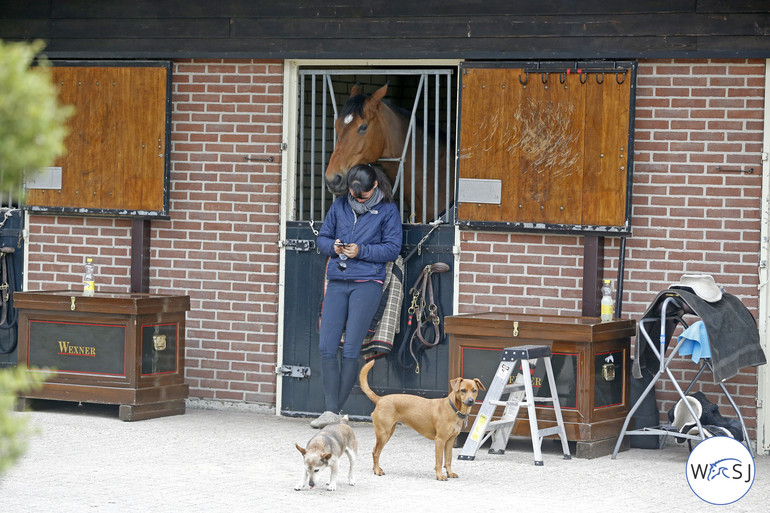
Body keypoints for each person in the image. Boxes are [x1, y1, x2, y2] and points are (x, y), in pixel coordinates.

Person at [311, 164, 403, 428]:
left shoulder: (387, 210)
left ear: (374, 187)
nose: (357, 198)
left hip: (367, 283)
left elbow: (392, 249)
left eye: (362, 195)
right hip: (337, 280)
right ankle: (332, 413)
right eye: (353, 193)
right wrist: (334, 246)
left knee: (351, 348)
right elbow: (323, 239)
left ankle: (332, 411)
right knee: (327, 346)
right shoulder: (340, 205)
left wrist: (360, 250)